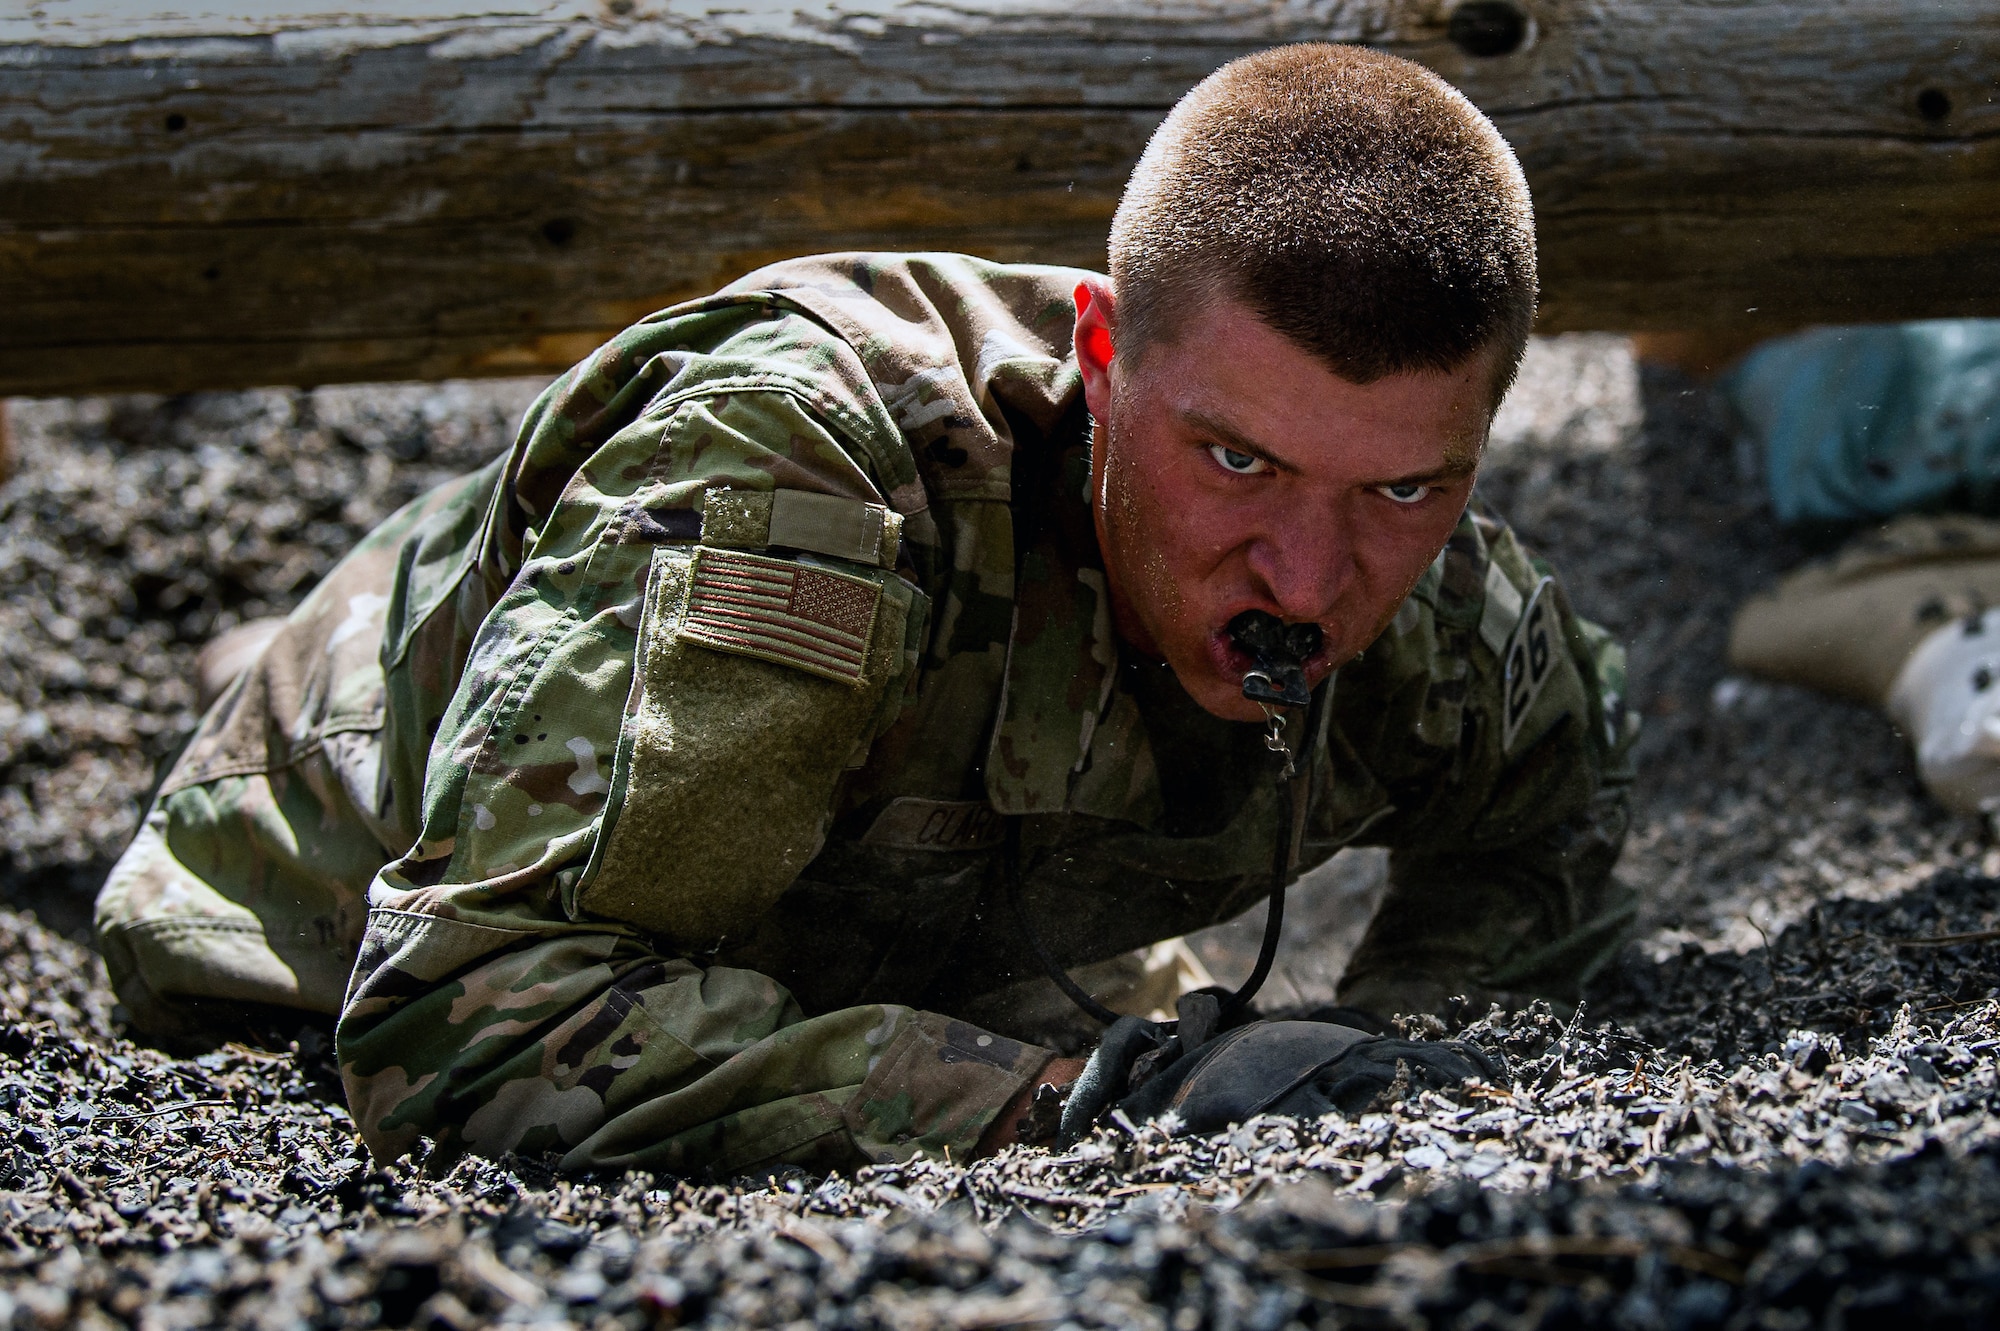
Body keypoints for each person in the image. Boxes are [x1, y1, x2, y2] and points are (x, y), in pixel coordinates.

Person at [95, 43, 1636, 1179]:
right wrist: (1084, 1106)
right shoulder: (802, 487)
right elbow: (472, 1026)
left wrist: (1408, 1055)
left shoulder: (1453, 622)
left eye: (1403, 492)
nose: (1308, 580)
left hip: (906, 929)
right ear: (1101, 359)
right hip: (327, 912)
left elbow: (1541, 827)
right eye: (1235, 459)